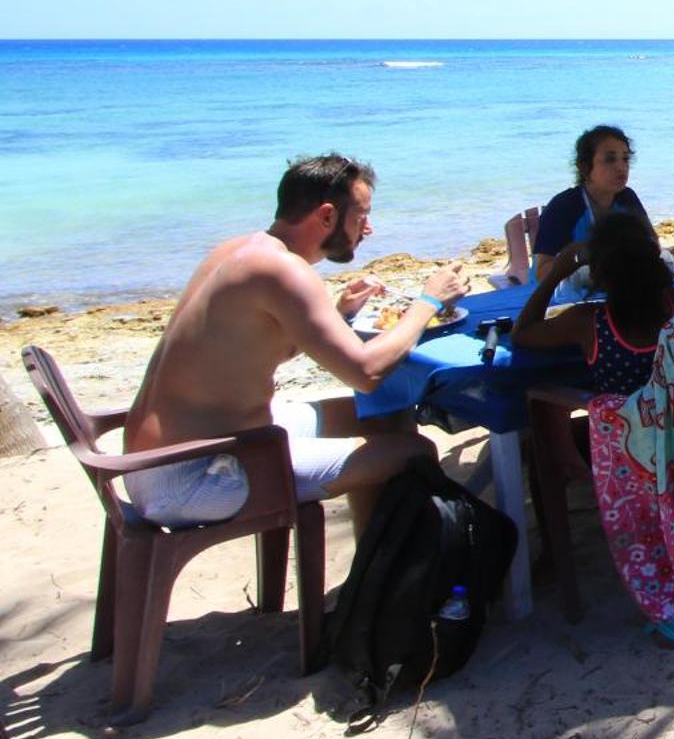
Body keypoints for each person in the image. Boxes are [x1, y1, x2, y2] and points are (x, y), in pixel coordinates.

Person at [124, 154, 470, 540]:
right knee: (414, 453)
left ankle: (372, 565)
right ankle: (385, 582)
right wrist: (430, 302)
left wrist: (340, 314)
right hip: (195, 478)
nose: (367, 229)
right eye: (361, 216)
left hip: (151, 462)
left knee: (379, 413)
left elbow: (267, 346)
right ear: (326, 216)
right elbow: (366, 372)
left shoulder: (237, 251)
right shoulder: (283, 271)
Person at [512, 211, 674, 395]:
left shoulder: (589, 322)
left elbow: (522, 333)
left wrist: (555, 274)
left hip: (619, 422)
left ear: (596, 273)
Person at [531, 125, 650, 285]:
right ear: (584, 167)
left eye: (625, 158)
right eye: (610, 159)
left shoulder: (627, 198)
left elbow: (652, 245)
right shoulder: (563, 207)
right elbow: (542, 273)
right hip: (560, 297)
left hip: (617, 289)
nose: (621, 167)